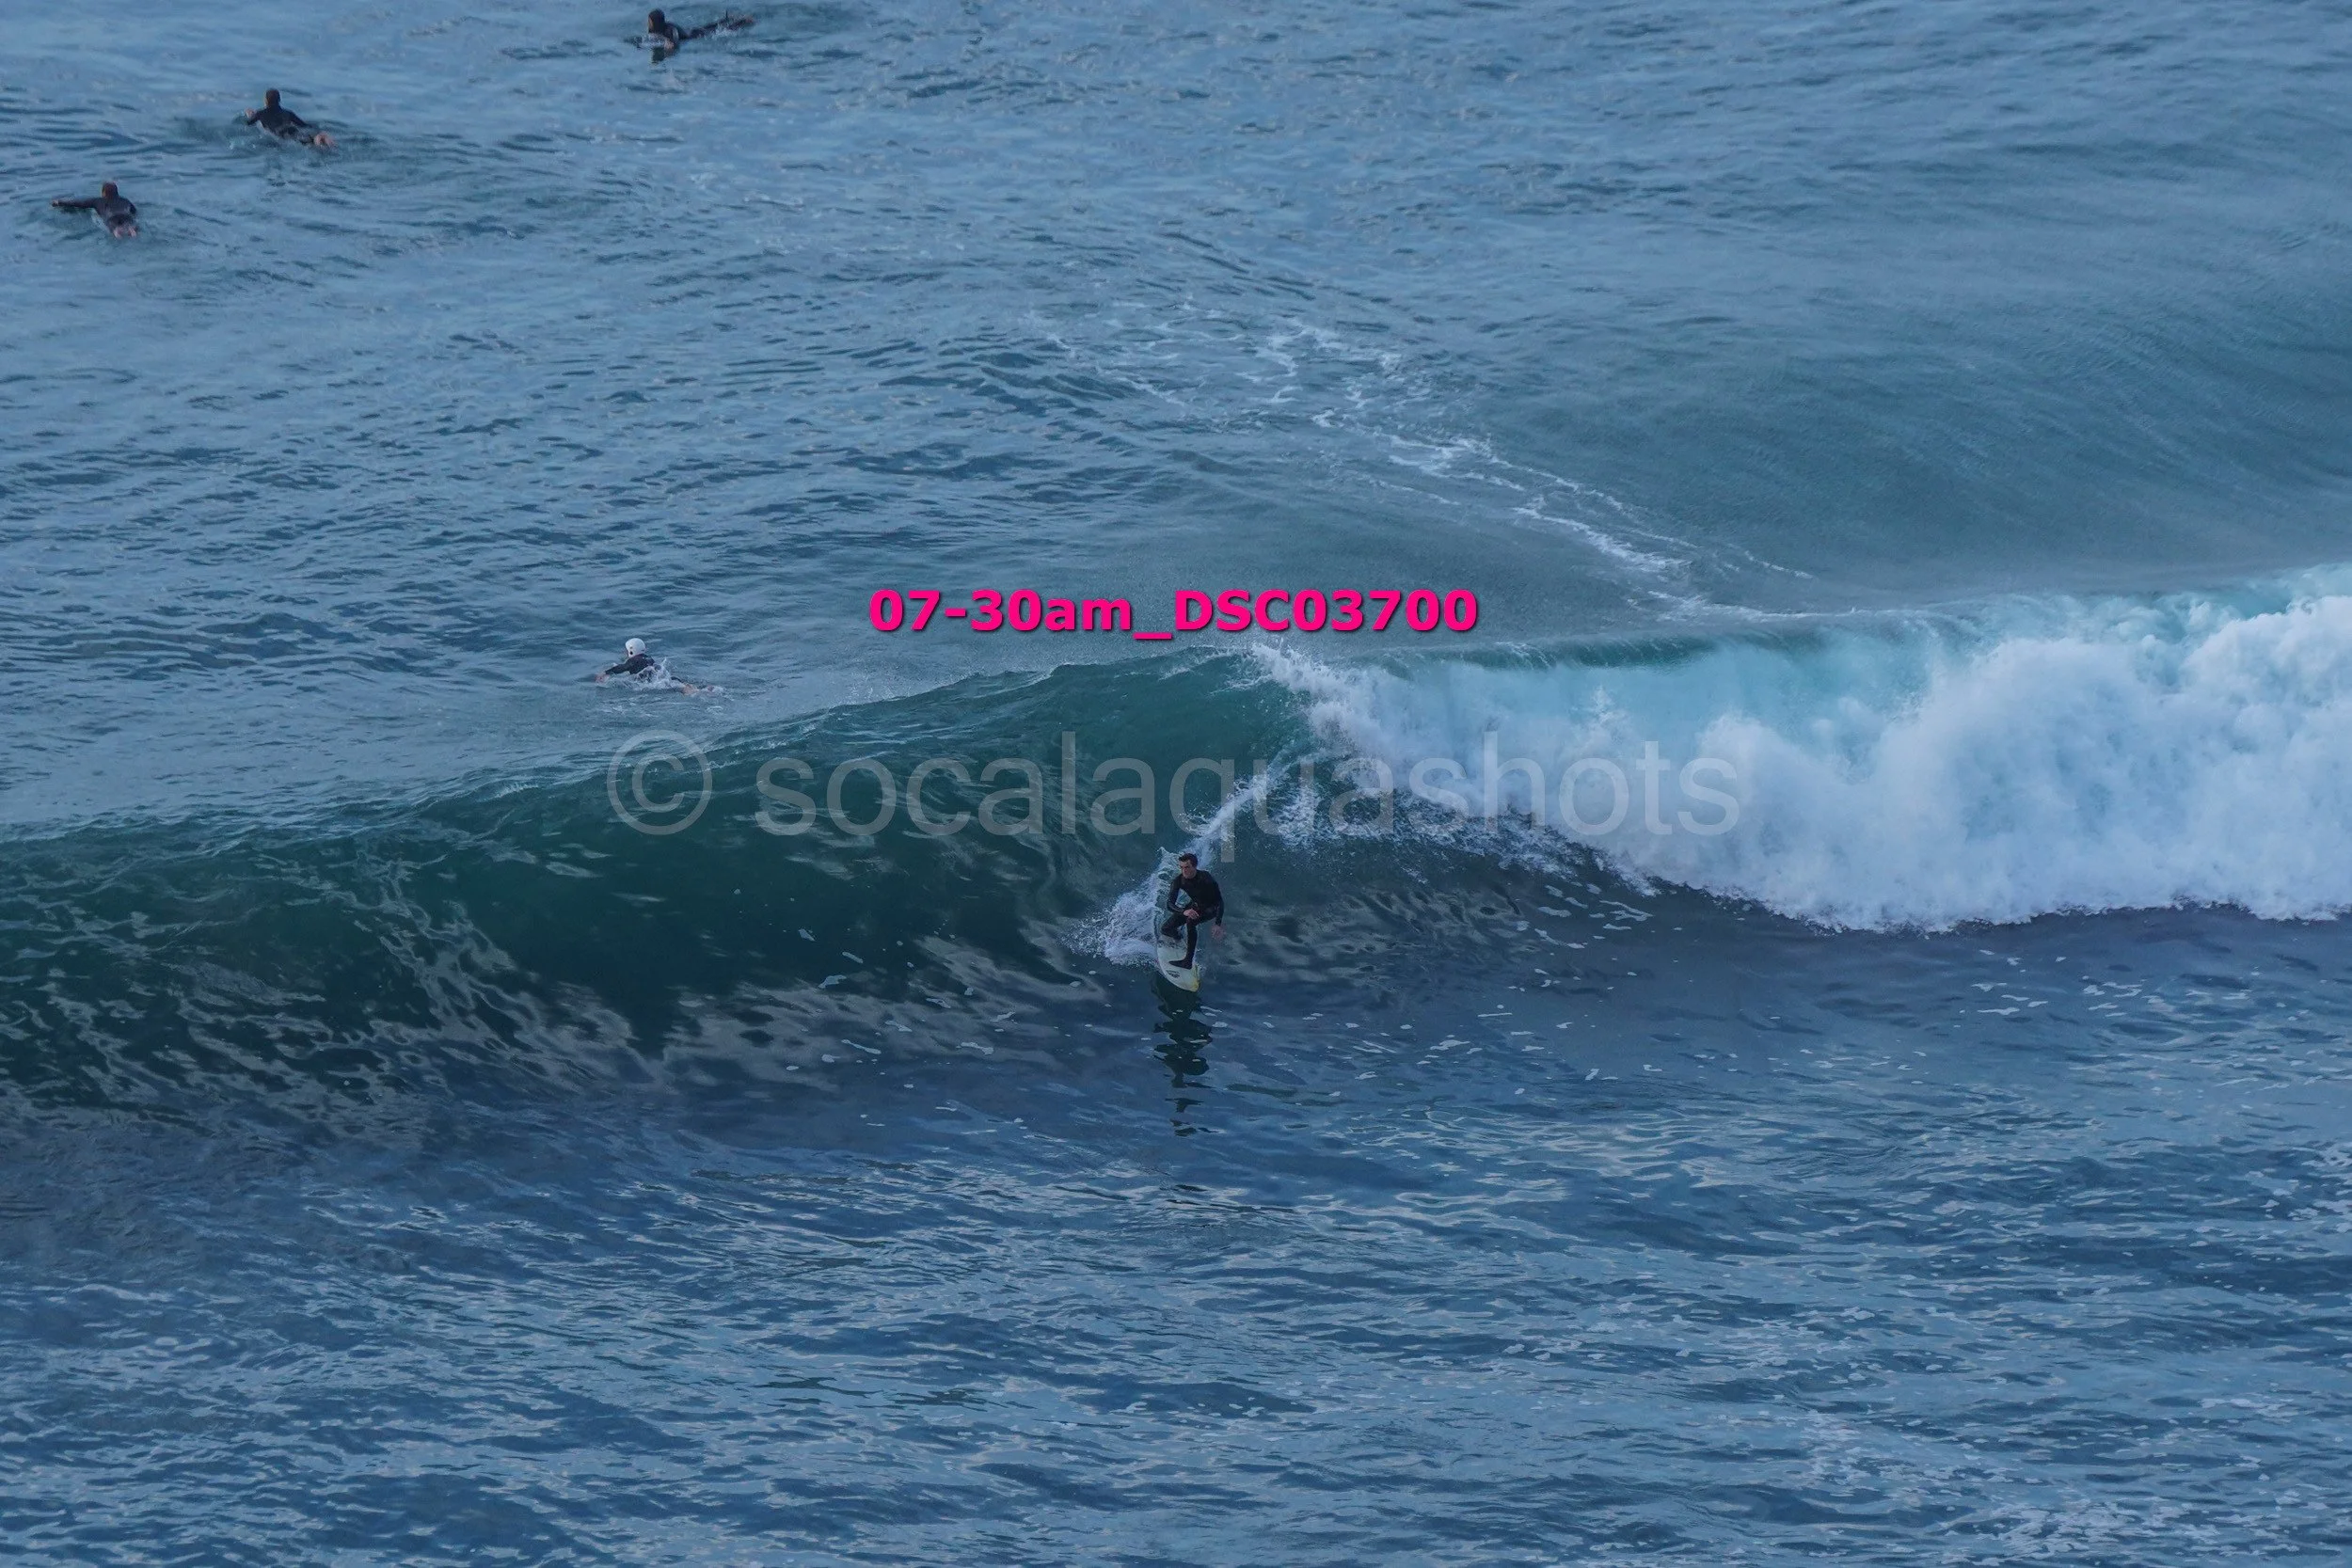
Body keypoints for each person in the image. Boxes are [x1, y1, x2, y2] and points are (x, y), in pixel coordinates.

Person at [1159, 852, 1224, 970]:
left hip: (1211, 908)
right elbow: (1169, 904)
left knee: (1191, 921)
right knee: (1166, 929)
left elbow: (1219, 901)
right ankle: (1179, 936)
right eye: (1181, 867)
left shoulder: (1206, 878)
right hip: (1195, 906)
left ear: (1194, 866)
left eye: (1187, 867)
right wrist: (1183, 911)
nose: (1184, 871)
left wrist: (1217, 924)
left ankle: (1187, 962)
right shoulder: (1179, 881)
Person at [596, 638, 704, 693]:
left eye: (626, 650)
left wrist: (605, 672)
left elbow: (622, 668)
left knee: (672, 688)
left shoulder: (633, 661)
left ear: (632, 651)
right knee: (672, 681)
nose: (624, 652)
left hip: (652, 684)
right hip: (660, 676)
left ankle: (687, 690)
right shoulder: (648, 658)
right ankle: (691, 687)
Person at [244, 89, 333, 149]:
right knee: (306, 139)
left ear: (266, 101)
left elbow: (248, 123)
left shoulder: (260, 113)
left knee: (298, 141)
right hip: (293, 130)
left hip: (280, 134)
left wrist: (251, 115)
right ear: (279, 100)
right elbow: (304, 125)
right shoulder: (288, 113)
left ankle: (317, 139)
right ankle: (319, 138)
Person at [52, 182, 137, 238]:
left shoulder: (97, 201)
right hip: (127, 217)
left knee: (115, 231)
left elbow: (79, 204)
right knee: (130, 228)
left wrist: (59, 202)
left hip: (111, 219)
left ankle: (117, 233)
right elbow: (134, 211)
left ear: (103, 193)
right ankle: (132, 231)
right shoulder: (125, 200)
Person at [645, 8, 753, 51]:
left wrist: (671, 46)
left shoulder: (670, 30)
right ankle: (731, 18)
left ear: (655, 21)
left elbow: (675, 44)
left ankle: (744, 21)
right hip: (691, 30)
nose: (648, 23)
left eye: (650, 21)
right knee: (711, 26)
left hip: (694, 35)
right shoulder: (657, 28)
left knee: (721, 30)